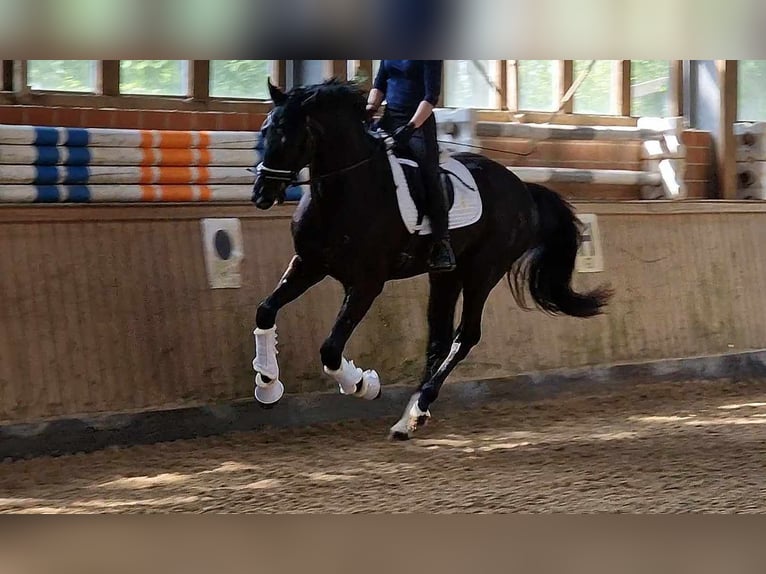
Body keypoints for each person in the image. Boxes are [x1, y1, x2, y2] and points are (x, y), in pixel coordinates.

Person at [366, 60, 456, 273]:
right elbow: (379, 85)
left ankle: (441, 242)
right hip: (388, 120)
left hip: (418, 125)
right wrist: (369, 110)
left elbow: (430, 97)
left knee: (428, 175)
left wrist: (411, 126)